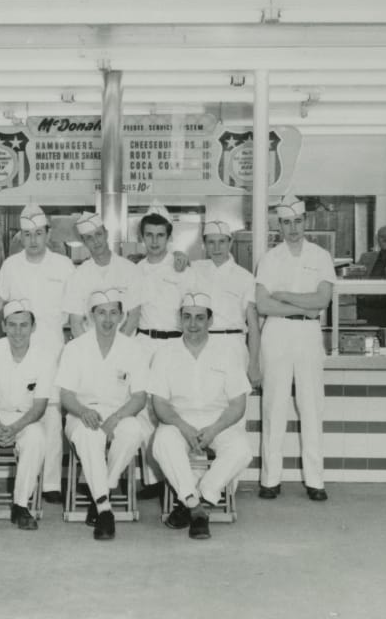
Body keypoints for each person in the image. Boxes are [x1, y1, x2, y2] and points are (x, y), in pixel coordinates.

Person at [149, 293, 253, 540]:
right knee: (162, 442)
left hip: (219, 421)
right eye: (187, 317)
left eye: (199, 318)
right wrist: (183, 427)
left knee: (242, 449)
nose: (193, 324)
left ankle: (201, 497)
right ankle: (196, 507)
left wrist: (214, 429)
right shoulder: (165, 353)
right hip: (179, 420)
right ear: (180, 320)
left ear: (210, 320)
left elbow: (238, 404)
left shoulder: (228, 352)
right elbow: (160, 404)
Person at [255, 194, 335, 503]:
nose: (293, 228)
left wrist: (284, 295)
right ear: (279, 225)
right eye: (286, 223)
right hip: (276, 334)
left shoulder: (320, 256)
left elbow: (322, 300)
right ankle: (270, 480)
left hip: (308, 335)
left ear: (306, 222)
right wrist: (304, 305)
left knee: (311, 406)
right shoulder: (270, 258)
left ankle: (315, 480)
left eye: (297, 221)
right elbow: (264, 305)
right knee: (273, 406)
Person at [0, 203, 74, 504]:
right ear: (20, 237)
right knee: (20, 410)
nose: (33, 240)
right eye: (27, 234)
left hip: (52, 347)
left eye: (39, 233)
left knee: (51, 414)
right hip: (17, 349)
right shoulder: (11, 266)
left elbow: (74, 310)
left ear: (48, 234)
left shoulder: (63, 266)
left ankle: (51, 483)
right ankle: (25, 481)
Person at [56, 289, 150, 541]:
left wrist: (116, 419)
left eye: (113, 313)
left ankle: (100, 494)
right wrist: (83, 411)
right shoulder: (75, 348)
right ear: (91, 316)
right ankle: (106, 511)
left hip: (121, 412)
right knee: (90, 436)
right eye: (101, 313)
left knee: (134, 431)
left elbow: (139, 397)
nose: (107, 319)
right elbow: (66, 395)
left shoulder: (133, 348)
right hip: (82, 412)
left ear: (122, 316)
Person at [0, 299, 57, 539]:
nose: (18, 331)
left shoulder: (45, 357)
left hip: (26, 418)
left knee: (36, 438)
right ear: (4, 326)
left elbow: (40, 406)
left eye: (24, 325)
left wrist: (14, 428)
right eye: (12, 325)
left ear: (33, 327)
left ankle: (21, 505)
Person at [133, 202, 197, 498]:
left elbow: (193, 310)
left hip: (174, 344)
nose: (155, 241)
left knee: (174, 407)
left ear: (169, 238)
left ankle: (178, 477)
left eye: (160, 235)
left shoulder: (182, 267)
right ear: (142, 237)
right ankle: (154, 479)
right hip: (144, 342)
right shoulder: (136, 270)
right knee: (145, 409)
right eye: (149, 235)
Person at [190, 219, 261, 384]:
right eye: (211, 242)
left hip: (233, 346)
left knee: (235, 397)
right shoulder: (194, 270)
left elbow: (253, 326)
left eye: (222, 242)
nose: (216, 248)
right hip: (201, 345)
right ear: (204, 244)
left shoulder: (245, 277)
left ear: (230, 242)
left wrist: (254, 364)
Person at [62, 212, 143, 338]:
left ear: (106, 234)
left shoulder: (130, 270)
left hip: (125, 344)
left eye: (98, 234)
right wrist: (89, 348)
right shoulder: (78, 276)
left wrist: (119, 345)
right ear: (84, 242)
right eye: (89, 238)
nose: (95, 241)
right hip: (90, 346)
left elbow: (134, 317)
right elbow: (76, 324)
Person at [356, 225, 386, 329]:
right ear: (377, 239)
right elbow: (353, 274)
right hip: (367, 307)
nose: (385, 239)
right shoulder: (367, 257)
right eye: (382, 237)